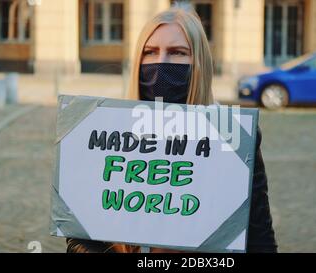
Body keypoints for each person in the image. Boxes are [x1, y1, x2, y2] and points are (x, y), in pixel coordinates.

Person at [66, 5, 277, 253]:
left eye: (177, 53)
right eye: (150, 52)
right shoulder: (105, 129)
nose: (161, 63)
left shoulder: (233, 136)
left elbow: (259, 237)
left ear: (199, 61)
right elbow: (78, 234)